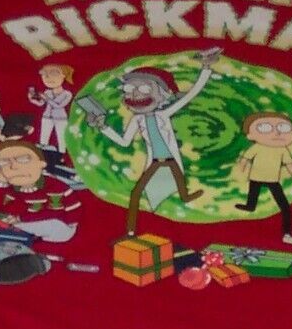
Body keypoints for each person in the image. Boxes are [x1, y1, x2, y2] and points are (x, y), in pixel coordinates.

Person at [85, 47, 219, 235]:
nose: (135, 95)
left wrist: (205, 68)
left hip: (170, 160)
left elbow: (191, 94)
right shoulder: (137, 120)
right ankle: (131, 231)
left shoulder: (164, 114)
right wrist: (103, 127)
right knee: (136, 193)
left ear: (163, 95)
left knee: (179, 183)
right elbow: (124, 142)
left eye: (145, 89)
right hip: (155, 162)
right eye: (129, 90)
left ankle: (185, 196)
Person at [233, 111, 292, 247]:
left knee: (286, 209)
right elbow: (244, 159)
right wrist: (240, 172)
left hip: (272, 180)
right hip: (256, 178)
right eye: (265, 128)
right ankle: (249, 206)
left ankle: (287, 234)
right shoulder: (257, 147)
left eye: (284, 128)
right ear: (250, 135)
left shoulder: (282, 149)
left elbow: (290, 167)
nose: (277, 133)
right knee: (252, 201)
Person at [25, 63, 74, 154]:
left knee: (62, 139)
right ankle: (44, 154)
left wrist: (46, 98)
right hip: (47, 117)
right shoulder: (47, 92)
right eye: (44, 74)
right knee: (43, 138)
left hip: (61, 118)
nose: (47, 78)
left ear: (63, 76)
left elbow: (59, 106)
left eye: (54, 73)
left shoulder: (67, 94)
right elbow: (41, 103)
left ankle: (62, 155)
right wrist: (32, 100)